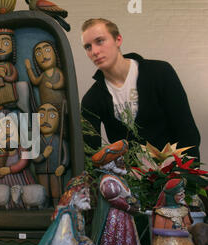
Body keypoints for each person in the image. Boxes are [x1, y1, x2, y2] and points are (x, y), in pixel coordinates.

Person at [80, 18, 200, 160]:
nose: (94, 51)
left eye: (100, 41)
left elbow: (187, 132)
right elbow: (89, 153)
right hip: (128, 179)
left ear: (118, 40)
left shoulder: (160, 73)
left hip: (174, 172)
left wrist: (187, 174)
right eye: (88, 47)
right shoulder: (92, 99)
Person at [27, 172, 100, 245]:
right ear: (73, 196)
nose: (87, 197)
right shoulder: (67, 215)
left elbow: (79, 236)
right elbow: (62, 241)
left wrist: (89, 243)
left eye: (88, 193)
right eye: (83, 193)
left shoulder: (78, 214)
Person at [90, 139, 142, 245]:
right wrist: (129, 207)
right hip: (114, 218)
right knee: (115, 243)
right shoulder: (108, 180)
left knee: (127, 242)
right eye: (119, 159)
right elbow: (113, 198)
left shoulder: (118, 178)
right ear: (111, 164)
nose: (122, 161)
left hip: (124, 218)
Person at [143, 178, 208, 245]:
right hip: (167, 244)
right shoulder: (161, 212)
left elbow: (188, 226)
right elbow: (159, 230)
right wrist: (175, 230)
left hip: (185, 242)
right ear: (171, 195)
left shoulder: (184, 210)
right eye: (179, 194)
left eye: (183, 193)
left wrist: (185, 229)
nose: (183, 196)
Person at [32, 103, 69, 205]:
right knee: (44, 190)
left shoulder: (60, 140)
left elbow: (66, 156)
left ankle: (57, 205)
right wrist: (43, 155)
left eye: (52, 116)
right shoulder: (37, 141)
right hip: (42, 170)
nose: (46, 120)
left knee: (56, 189)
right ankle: (45, 205)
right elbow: (34, 157)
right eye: (42, 115)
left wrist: (63, 165)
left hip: (55, 170)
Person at [25, 40, 66, 109]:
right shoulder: (43, 75)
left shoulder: (57, 71)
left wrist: (53, 86)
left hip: (60, 103)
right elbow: (34, 81)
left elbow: (62, 82)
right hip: (45, 106)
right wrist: (29, 69)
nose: (43, 56)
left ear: (55, 53)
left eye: (47, 50)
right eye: (38, 54)